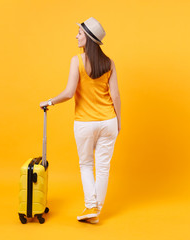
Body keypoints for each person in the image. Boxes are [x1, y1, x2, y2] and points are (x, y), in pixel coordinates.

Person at [39, 17, 121, 224]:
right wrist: (118, 121)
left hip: (85, 123)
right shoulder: (109, 63)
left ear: (89, 38)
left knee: (86, 164)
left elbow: (68, 92)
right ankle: (95, 211)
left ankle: (91, 206)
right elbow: (116, 95)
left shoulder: (77, 60)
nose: (76, 36)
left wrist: (49, 101)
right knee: (103, 167)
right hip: (108, 121)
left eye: (80, 33)